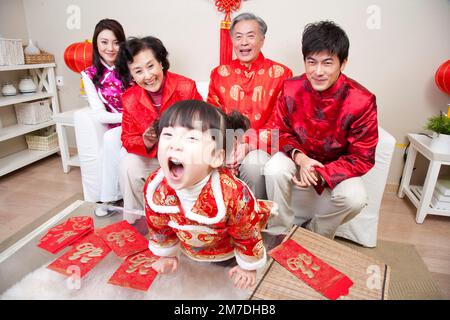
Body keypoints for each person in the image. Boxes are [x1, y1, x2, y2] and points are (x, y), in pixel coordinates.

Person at [263, 21, 379, 239]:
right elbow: (280, 132)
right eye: (311, 62)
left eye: (327, 63)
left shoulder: (361, 100)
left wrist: (322, 173)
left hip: (337, 166)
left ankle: (314, 234)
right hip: (299, 156)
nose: (318, 71)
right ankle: (279, 230)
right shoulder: (290, 88)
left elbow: (362, 157)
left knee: (356, 198)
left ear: (343, 63)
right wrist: (301, 159)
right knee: (274, 168)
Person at [144, 100, 274, 289]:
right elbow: (159, 225)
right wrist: (167, 254)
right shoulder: (156, 188)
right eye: (169, 134)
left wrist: (248, 266)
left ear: (216, 157)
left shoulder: (233, 194)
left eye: (191, 138)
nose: (175, 145)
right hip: (187, 250)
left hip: (227, 252)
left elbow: (247, 234)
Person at [116, 36, 203, 224]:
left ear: (161, 63)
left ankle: (190, 223)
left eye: (150, 66)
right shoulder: (129, 98)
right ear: (131, 76)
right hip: (153, 157)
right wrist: (146, 141)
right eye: (138, 71)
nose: (147, 76)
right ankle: (138, 223)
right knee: (128, 164)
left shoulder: (186, 87)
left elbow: (204, 125)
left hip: (185, 157)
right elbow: (127, 138)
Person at [207, 12, 292, 199]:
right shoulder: (220, 74)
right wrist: (227, 145)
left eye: (250, 36)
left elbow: (279, 120)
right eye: (238, 37)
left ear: (262, 40)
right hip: (227, 142)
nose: (243, 42)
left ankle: (253, 218)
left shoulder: (281, 74)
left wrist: (247, 145)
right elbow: (213, 116)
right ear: (232, 41)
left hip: (263, 145)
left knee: (253, 164)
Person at [81, 19, 126, 215]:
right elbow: (99, 115)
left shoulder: (131, 65)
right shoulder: (89, 74)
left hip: (143, 121)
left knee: (113, 141)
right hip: (118, 124)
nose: (110, 48)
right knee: (110, 138)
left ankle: (115, 199)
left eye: (116, 42)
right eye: (104, 42)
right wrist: (126, 118)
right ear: (96, 43)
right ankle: (110, 199)